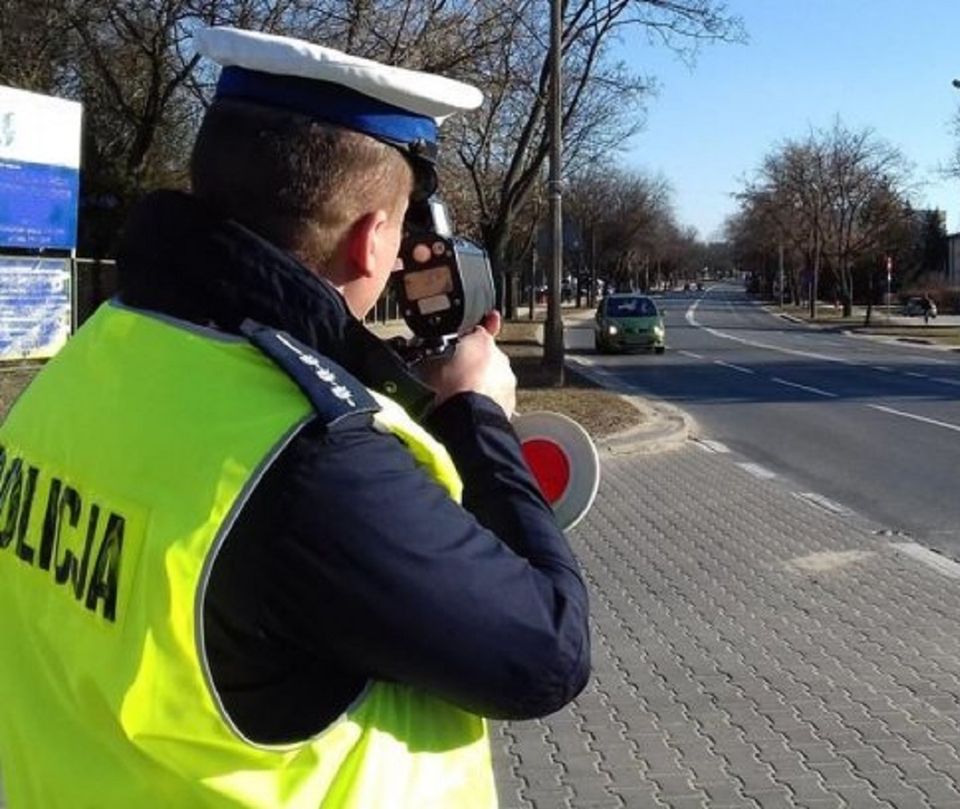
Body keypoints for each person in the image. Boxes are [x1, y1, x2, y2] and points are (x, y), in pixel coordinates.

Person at [0, 27, 589, 808]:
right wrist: (478, 414)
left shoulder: (92, 356)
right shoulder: (313, 457)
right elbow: (547, 651)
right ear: (371, 238)